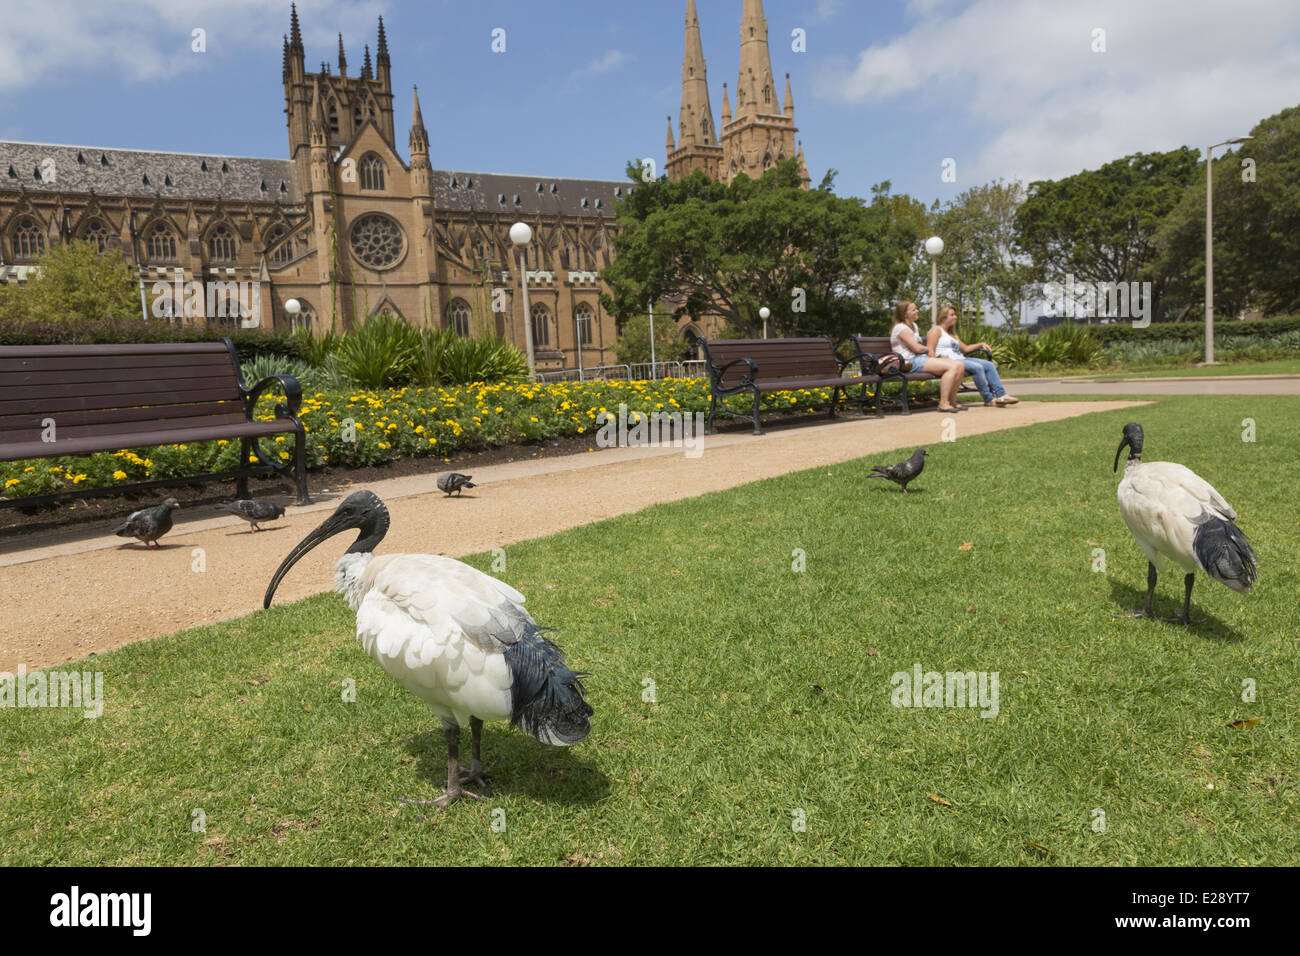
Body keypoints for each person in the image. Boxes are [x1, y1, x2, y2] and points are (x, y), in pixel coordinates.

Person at [928, 306, 1019, 407]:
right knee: (977, 367)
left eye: (955, 315)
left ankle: (1002, 395)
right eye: (952, 315)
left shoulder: (951, 334)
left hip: (961, 359)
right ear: (943, 317)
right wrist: (938, 363)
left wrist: (980, 344)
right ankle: (988, 399)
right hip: (951, 362)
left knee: (989, 365)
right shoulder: (936, 330)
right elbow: (930, 350)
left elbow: (966, 349)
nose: (955, 317)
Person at [889, 300, 965, 412]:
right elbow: (917, 348)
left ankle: (952, 401)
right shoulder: (901, 328)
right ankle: (943, 403)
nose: (917, 311)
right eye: (914, 309)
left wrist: (925, 349)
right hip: (909, 362)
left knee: (960, 365)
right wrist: (928, 349)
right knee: (952, 367)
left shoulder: (914, 326)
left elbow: (920, 348)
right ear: (905, 314)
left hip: (920, 359)